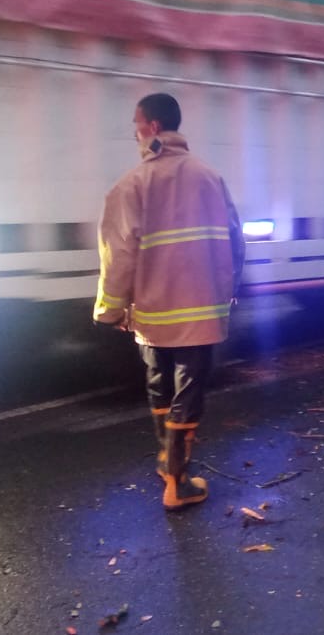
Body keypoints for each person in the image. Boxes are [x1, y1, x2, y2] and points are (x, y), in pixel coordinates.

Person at [95, 93, 244, 511]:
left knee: (159, 383)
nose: (135, 131)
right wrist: (230, 290)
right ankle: (176, 478)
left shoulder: (130, 185)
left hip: (151, 311)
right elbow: (235, 239)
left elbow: (117, 255)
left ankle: (169, 467)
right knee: (188, 389)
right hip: (201, 309)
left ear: (154, 127)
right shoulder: (209, 177)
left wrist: (111, 308)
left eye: (137, 123)